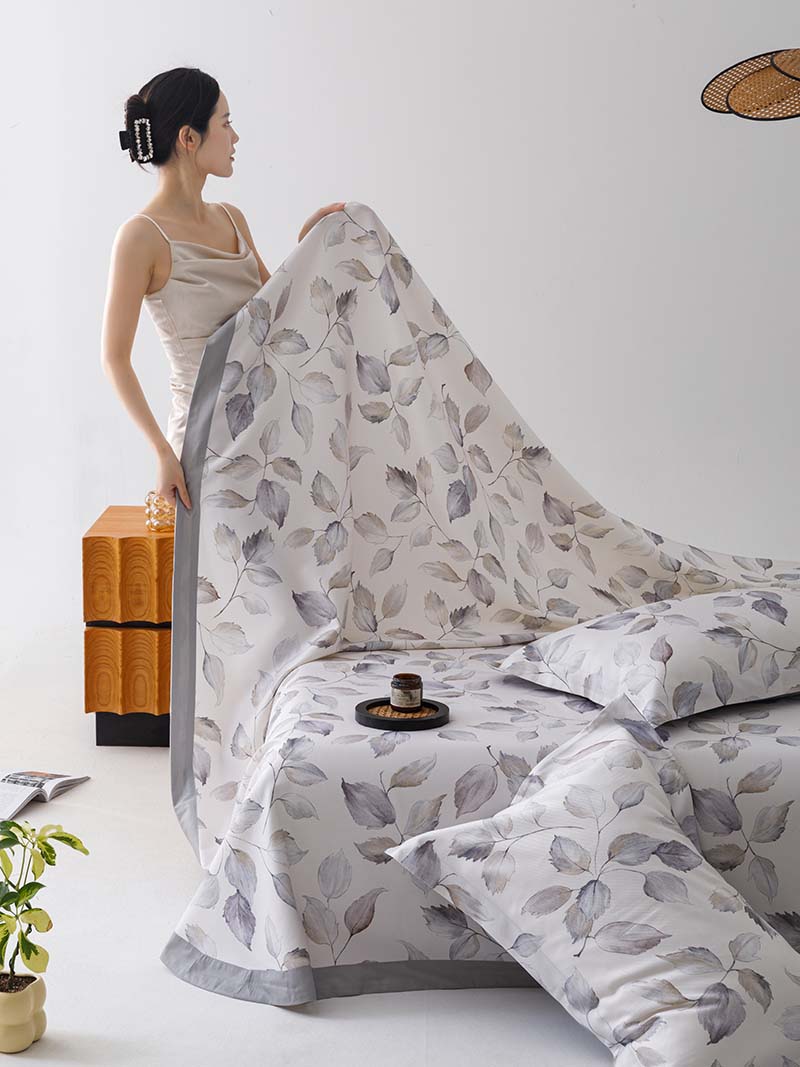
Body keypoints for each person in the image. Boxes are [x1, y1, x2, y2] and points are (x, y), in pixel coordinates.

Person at [101, 66, 345, 511]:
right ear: (188, 138)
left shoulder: (233, 219)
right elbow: (115, 359)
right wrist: (162, 453)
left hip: (269, 441)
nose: (235, 138)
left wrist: (309, 244)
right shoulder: (140, 237)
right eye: (226, 124)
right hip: (203, 449)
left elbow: (282, 322)